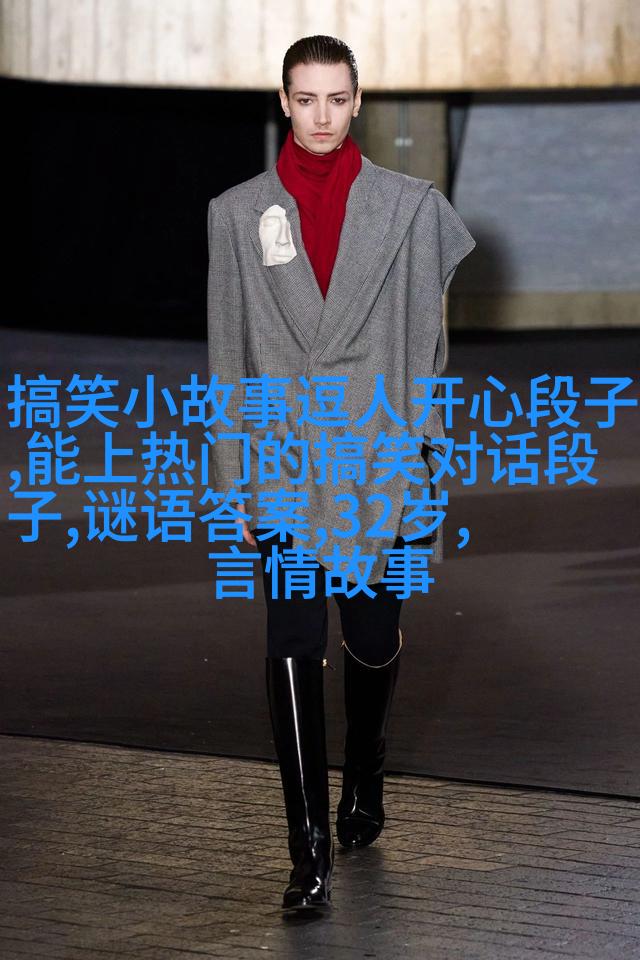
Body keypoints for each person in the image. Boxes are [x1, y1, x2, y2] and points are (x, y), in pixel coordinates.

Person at [206, 35, 476, 914]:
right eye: (305, 98)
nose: (320, 115)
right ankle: (308, 853)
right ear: (284, 101)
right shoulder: (236, 214)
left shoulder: (411, 208)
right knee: (291, 639)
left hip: (378, 457)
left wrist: (428, 453)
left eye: (336, 98)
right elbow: (227, 356)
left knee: (371, 636)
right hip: (284, 460)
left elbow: (432, 350)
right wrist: (232, 477)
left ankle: (366, 767)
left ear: (357, 102)